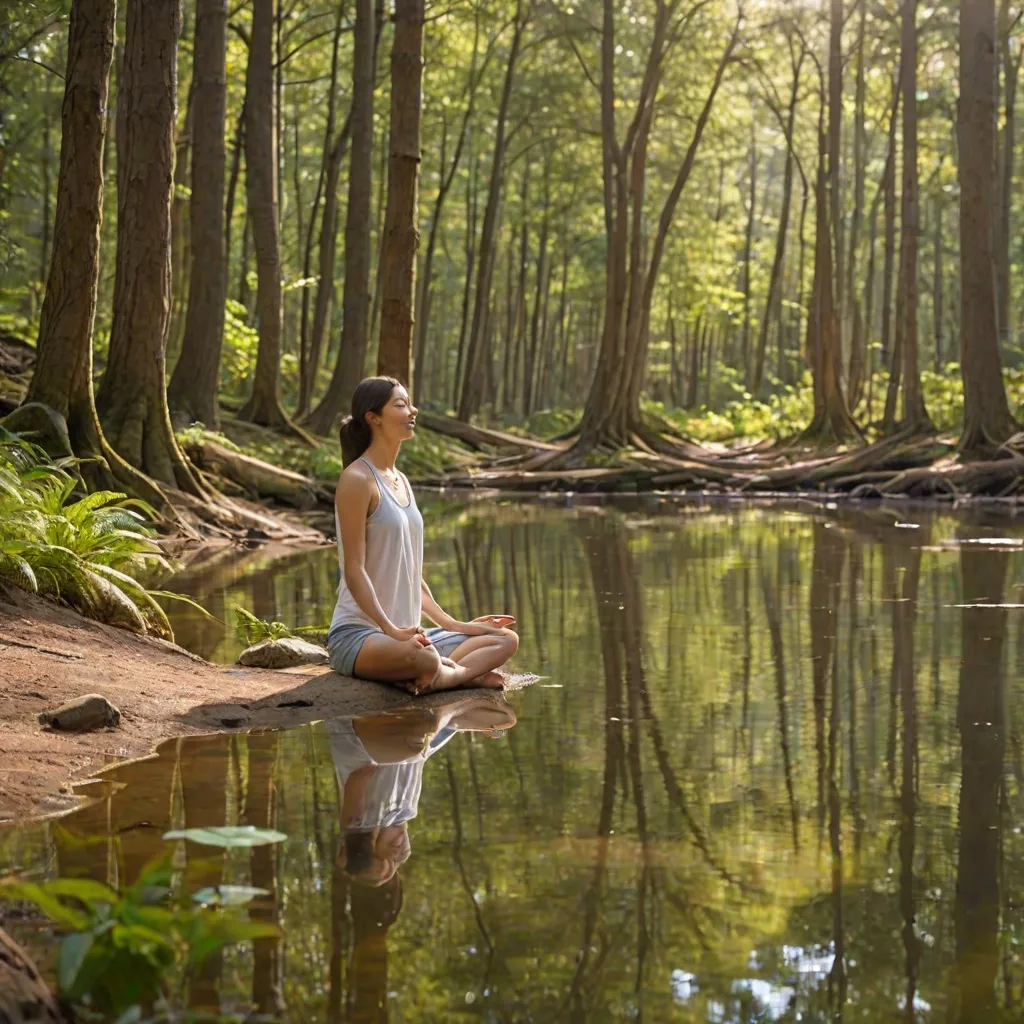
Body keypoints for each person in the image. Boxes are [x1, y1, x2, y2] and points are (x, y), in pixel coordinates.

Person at [328, 375, 519, 694]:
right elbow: (354, 570)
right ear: (373, 418)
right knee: (425, 657)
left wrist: (456, 625)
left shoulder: (400, 480)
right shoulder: (357, 479)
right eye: (401, 405)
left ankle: (442, 675)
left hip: (410, 636)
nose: (412, 410)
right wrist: (390, 629)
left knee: (504, 639)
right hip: (361, 636)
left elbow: (410, 574)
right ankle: (456, 676)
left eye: (409, 403)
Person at [330, 697, 517, 887]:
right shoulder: (404, 813)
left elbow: (363, 774)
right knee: (505, 719)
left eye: (390, 856)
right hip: (414, 743)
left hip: (367, 742)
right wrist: (392, 851)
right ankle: (452, 705)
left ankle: (453, 706)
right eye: (397, 861)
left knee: (420, 735)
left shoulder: (360, 824)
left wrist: (361, 859)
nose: (398, 855)